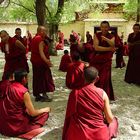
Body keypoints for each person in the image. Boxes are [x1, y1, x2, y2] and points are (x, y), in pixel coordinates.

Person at [63, 67, 118, 140]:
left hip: (78, 135)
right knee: (114, 121)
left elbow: (69, 116)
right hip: (99, 136)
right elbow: (109, 119)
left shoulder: (74, 93)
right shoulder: (102, 93)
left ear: (83, 76)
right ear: (97, 78)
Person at [0, 70, 50, 137]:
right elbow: (32, 113)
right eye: (27, 78)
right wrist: (45, 109)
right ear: (23, 78)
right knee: (44, 114)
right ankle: (25, 132)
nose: (27, 80)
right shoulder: (23, 91)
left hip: (3, 127)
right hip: (17, 127)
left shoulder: (5, 86)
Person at [90, 21, 116, 100]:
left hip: (106, 61)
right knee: (95, 77)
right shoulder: (96, 35)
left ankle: (103, 96)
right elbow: (96, 47)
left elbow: (113, 44)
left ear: (109, 28)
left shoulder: (112, 36)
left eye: (106, 27)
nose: (104, 29)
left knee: (105, 78)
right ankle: (94, 95)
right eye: (102, 27)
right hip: (97, 59)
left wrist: (106, 39)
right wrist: (109, 49)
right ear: (100, 27)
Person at [31, 26, 55, 102]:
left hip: (35, 62)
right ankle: (44, 96)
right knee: (44, 78)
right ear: (41, 31)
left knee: (37, 78)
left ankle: (37, 95)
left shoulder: (34, 38)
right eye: (44, 31)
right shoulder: (40, 40)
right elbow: (41, 53)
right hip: (41, 62)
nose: (46, 33)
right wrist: (47, 61)